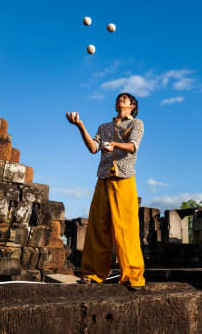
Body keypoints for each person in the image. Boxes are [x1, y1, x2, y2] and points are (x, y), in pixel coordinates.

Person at [66, 93, 145, 290]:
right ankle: (93, 273)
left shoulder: (136, 124)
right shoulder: (104, 127)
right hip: (103, 178)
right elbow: (93, 147)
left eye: (125, 98)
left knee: (126, 227)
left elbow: (133, 146)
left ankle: (132, 275)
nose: (120, 99)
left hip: (124, 177)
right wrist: (80, 126)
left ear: (132, 105)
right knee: (97, 225)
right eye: (118, 97)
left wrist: (115, 145)